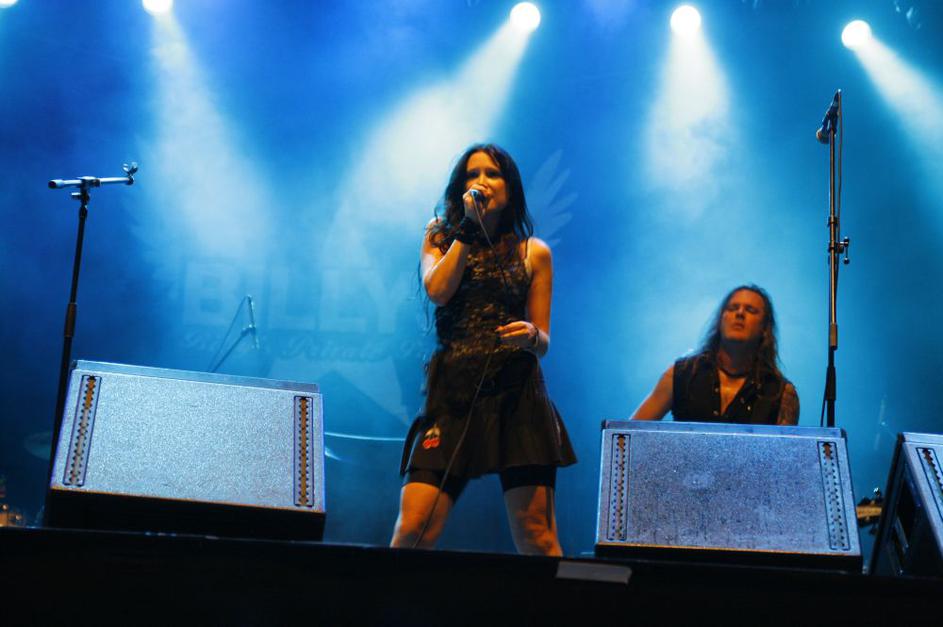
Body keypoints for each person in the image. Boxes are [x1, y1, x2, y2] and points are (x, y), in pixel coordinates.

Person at [391, 144, 576, 555]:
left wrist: (530, 336)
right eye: (472, 175)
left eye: (492, 174)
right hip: (453, 395)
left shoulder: (534, 252)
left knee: (536, 535)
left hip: (516, 396)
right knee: (413, 529)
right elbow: (438, 290)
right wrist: (468, 230)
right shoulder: (440, 236)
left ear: (510, 188)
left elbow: (544, 341)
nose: (481, 182)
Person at [631, 285, 799, 425]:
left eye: (751, 310)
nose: (739, 313)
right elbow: (629, 437)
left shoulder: (780, 392)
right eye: (732, 308)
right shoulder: (682, 373)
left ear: (765, 328)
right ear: (720, 321)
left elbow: (786, 453)